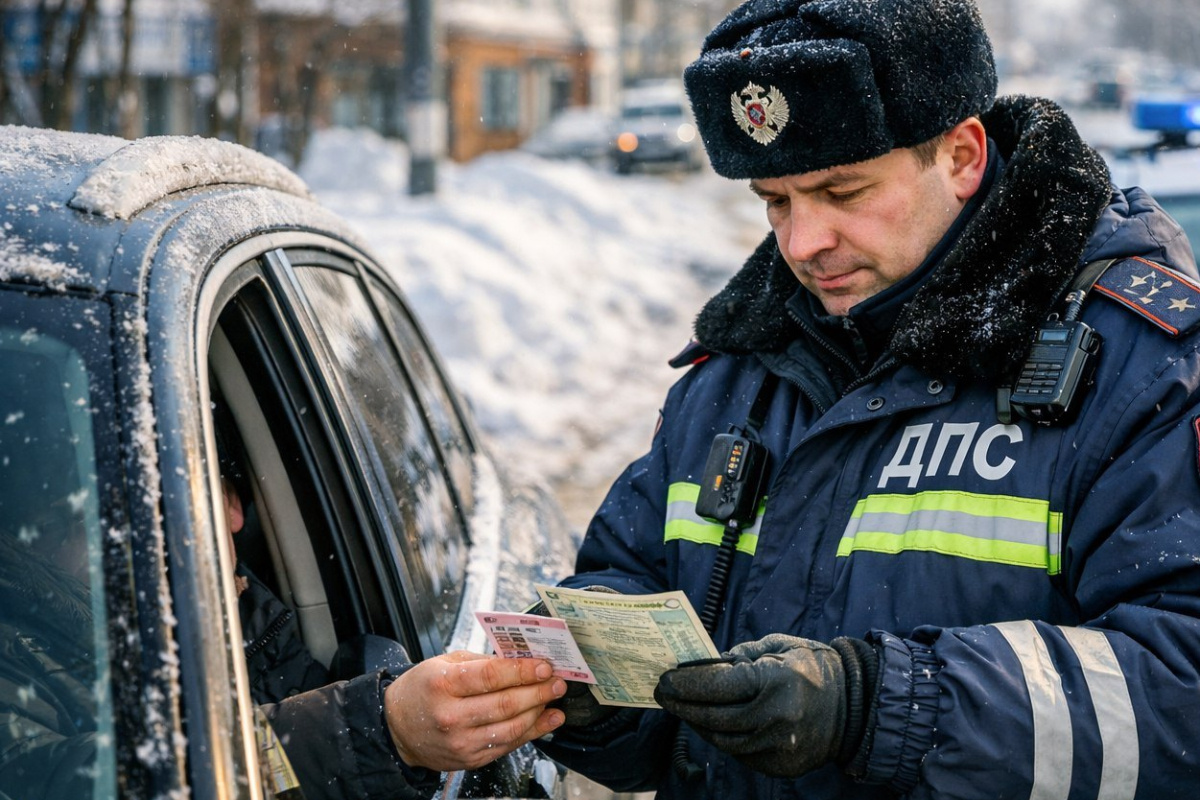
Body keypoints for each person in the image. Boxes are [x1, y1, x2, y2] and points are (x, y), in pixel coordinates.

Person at [535, 1, 1200, 798]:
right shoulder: (738, 367)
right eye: (776, 201)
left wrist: (884, 708)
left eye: (842, 192)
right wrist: (590, 689)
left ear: (961, 157)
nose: (802, 243)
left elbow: (1182, 692)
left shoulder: (1145, 366)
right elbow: (634, 582)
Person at [216, 457, 568, 800]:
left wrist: (385, 724)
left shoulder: (262, 633)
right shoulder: (256, 628)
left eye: (188, 514)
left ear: (231, 504)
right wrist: (389, 732)